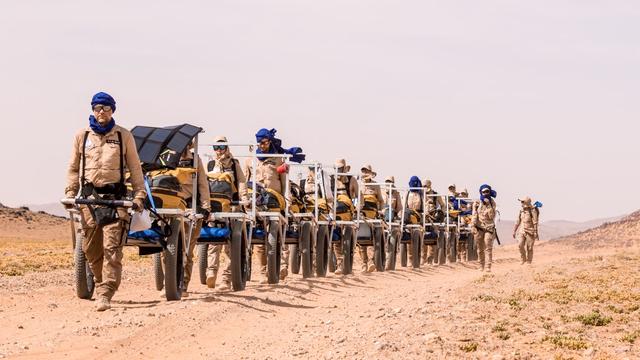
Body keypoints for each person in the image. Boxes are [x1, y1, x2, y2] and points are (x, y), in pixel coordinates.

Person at [65, 92, 146, 311]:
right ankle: (101, 281)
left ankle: (105, 292)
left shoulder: (123, 136)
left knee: (112, 247)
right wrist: (71, 192)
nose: (102, 112)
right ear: (92, 109)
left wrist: (139, 195)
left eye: (107, 108)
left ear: (113, 111)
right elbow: (73, 168)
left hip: (115, 199)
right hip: (89, 199)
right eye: (98, 108)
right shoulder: (82, 136)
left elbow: (135, 168)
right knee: (91, 248)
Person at [244, 128, 304, 282]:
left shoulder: (278, 160)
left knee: (279, 234)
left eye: (263, 142)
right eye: (259, 143)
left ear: (269, 141)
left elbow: (284, 184)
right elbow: (244, 182)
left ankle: (282, 264)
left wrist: (287, 203)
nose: (261, 145)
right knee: (259, 239)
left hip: (275, 202)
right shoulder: (250, 160)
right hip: (256, 200)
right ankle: (264, 272)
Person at [205, 136, 248, 291]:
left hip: (232, 207)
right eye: (215, 148)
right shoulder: (210, 164)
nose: (219, 151)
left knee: (232, 246)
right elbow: (204, 184)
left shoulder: (234, 165)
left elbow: (242, 182)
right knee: (213, 242)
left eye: (221, 147)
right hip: (215, 207)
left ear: (227, 147)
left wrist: (244, 200)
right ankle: (211, 272)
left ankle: (226, 278)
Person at [179, 142, 211, 297]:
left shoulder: (195, 159)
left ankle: (183, 284)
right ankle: (170, 283)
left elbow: (203, 184)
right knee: (168, 250)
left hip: (191, 208)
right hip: (172, 207)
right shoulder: (166, 157)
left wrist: (206, 207)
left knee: (187, 250)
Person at [330, 159, 358, 275]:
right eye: (337, 168)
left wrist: (357, 209)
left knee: (344, 237)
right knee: (334, 236)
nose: (338, 171)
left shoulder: (351, 180)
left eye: (340, 168)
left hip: (347, 211)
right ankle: (334, 263)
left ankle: (343, 264)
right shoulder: (331, 179)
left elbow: (358, 196)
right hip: (333, 210)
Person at [358, 165, 385, 272]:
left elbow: (381, 201)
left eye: (366, 171)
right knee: (360, 240)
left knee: (373, 239)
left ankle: (372, 262)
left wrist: (382, 211)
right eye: (363, 171)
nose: (365, 173)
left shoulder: (375, 185)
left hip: (372, 213)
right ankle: (364, 263)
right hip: (360, 214)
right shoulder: (359, 185)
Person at [471, 184, 498, 272]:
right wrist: (473, 225)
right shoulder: (477, 202)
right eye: (483, 192)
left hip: (489, 228)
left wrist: (488, 205)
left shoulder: (492, 202)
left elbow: (492, 216)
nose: (485, 193)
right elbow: (474, 214)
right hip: (479, 227)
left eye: (487, 192)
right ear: (481, 192)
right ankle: (481, 265)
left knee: (488, 246)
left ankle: (488, 266)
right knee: (480, 248)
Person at [422, 179, 445, 265]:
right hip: (422, 218)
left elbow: (443, 205)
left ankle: (430, 260)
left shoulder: (435, 194)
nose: (424, 187)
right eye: (423, 186)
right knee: (422, 238)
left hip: (432, 218)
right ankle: (422, 259)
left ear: (429, 185)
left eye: (425, 186)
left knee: (432, 239)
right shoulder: (420, 194)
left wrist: (440, 214)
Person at [382, 176, 403, 270]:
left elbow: (399, 208)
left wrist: (400, 218)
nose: (388, 183)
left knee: (392, 237)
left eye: (390, 181)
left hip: (392, 218)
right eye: (386, 181)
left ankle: (389, 262)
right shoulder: (381, 191)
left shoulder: (396, 194)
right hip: (381, 217)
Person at [513, 196, 539, 265]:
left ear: (526, 202)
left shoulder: (533, 211)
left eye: (522, 201)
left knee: (529, 247)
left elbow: (535, 222)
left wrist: (536, 232)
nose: (521, 203)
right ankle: (523, 259)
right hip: (522, 231)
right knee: (520, 245)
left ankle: (529, 262)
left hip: (530, 231)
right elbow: (518, 221)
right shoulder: (521, 211)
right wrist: (514, 231)